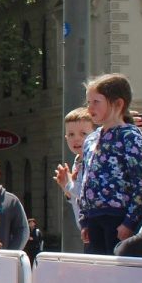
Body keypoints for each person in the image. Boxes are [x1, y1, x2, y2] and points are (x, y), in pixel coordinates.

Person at [75, 73, 142, 255]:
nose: (89, 108)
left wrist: (130, 221)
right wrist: (84, 220)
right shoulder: (91, 139)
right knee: (97, 272)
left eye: (96, 102)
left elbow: (141, 183)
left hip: (118, 217)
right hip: (94, 217)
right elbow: (85, 180)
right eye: (88, 102)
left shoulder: (130, 137)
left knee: (118, 274)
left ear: (118, 104)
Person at [53, 106, 94, 248]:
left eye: (83, 133)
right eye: (71, 134)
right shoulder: (77, 161)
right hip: (86, 230)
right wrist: (67, 191)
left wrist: (69, 185)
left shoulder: (94, 159)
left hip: (98, 228)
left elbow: (88, 194)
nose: (76, 139)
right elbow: (77, 199)